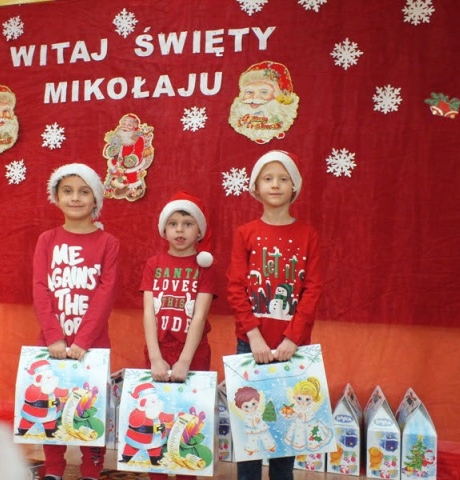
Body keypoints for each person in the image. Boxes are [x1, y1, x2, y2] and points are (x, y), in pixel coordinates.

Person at [226, 150, 322, 480]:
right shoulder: (245, 233)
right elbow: (235, 287)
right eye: (268, 178)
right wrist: (252, 335)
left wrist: (293, 338)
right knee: (250, 435)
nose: (276, 184)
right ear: (256, 187)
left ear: (295, 186)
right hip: (249, 346)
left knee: (286, 429)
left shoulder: (308, 234)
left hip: (292, 349)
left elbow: (313, 289)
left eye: (283, 178)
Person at [32, 163, 120, 480]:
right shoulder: (47, 240)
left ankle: (91, 470)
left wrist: (83, 341)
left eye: (84, 192)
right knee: (51, 405)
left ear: (95, 199)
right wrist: (53, 337)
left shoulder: (108, 242)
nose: (75, 198)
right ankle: (54, 468)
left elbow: (106, 294)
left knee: (90, 408)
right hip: (52, 343)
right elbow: (40, 288)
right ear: (56, 197)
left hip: (92, 345)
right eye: (67, 191)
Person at [138, 191, 216, 480]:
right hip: (158, 351)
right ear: (164, 230)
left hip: (192, 353)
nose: (180, 230)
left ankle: (186, 474)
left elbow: (199, 316)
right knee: (157, 418)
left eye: (187, 223)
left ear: (199, 231)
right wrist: (155, 357)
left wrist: (185, 361)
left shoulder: (204, 267)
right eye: (173, 223)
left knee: (187, 420)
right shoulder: (153, 264)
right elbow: (148, 313)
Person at [228, 61, 300, 144]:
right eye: (249, 92)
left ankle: (273, 133)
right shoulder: (241, 112)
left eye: (264, 92)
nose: (255, 97)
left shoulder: (279, 110)